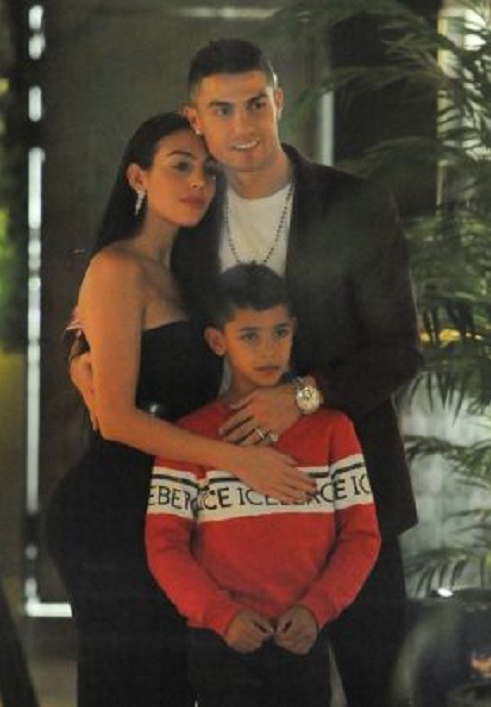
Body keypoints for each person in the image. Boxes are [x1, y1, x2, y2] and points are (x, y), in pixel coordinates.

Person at [169, 39, 423, 707]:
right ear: (195, 119)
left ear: (278, 101)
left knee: (378, 686)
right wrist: (84, 344)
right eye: (222, 110)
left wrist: (303, 397)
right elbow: (128, 282)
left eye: (256, 104)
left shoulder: (353, 204)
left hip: (352, 494)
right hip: (227, 508)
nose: (243, 126)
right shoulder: (185, 215)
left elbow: (400, 348)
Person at [46, 111, 315, 707]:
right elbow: (117, 419)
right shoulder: (117, 268)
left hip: (170, 510)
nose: (198, 181)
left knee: (172, 685)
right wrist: (237, 461)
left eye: (209, 171)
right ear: (138, 178)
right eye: (181, 166)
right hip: (113, 511)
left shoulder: (191, 276)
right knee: (129, 686)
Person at [146, 262, 381, 707]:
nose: (269, 349)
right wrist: (221, 615)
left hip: (304, 636)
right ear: (218, 341)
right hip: (221, 641)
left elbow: (362, 536)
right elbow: (164, 546)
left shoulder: (334, 431)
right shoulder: (188, 438)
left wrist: (316, 609)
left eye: (279, 333)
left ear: (294, 331)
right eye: (249, 336)